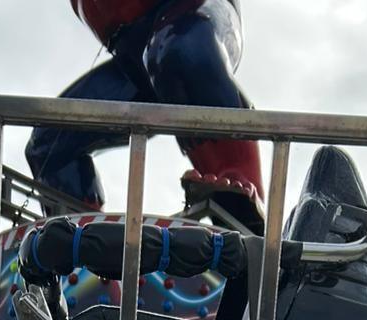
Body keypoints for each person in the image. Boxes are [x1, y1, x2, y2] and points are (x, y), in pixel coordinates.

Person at [27, 0, 264, 231]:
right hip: (133, 56)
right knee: (49, 142)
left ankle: (239, 179)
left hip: (196, 18)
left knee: (180, 49)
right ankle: (80, 239)